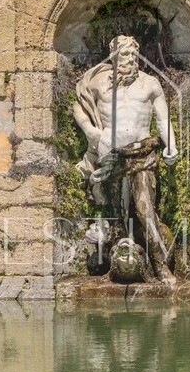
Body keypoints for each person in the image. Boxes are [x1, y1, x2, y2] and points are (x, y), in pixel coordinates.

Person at [73, 35, 179, 284]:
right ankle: (111, 264)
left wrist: (171, 145)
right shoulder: (98, 83)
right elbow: (79, 106)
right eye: (123, 54)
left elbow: (163, 119)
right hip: (109, 159)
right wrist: (90, 130)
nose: (128, 59)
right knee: (115, 216)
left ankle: (160, 266)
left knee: (145, 210)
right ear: (113, 55)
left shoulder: (150, 84)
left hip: (142, 156)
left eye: (132, 54)